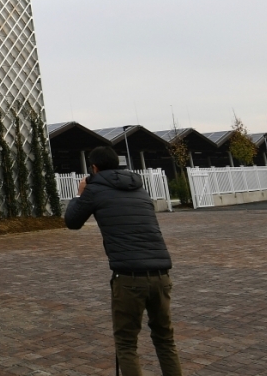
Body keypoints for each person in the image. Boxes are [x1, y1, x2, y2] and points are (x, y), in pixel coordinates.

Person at [65, 147, 182, 376]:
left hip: (129, 277)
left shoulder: (95, 189)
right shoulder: (139, 188)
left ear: (94, 168)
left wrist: (79, 194)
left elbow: (72, 221)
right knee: (165, 339)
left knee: (127, 343)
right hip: (161, 274)